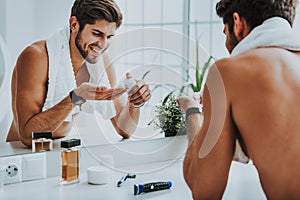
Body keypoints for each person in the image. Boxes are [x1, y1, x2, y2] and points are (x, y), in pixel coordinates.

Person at [177, 0, 300, 199]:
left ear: (237, 23)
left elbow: (204, 190)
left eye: (225, 34)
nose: (226, 45)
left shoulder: (228, 72)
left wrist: (192, 112)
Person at [6, 0, 151, 147]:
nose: (103, 45)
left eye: (109, 37)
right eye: (97, 33)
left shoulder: (101, 62)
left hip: (58, 151)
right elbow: (27, 136)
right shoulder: (37, 56)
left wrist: (135, 102)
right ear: (74, 24)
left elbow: (124, 130)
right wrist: (76, 97)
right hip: (18, 155)